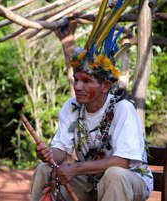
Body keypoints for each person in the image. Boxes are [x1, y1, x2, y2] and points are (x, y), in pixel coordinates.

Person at [30, 1, 153, 201]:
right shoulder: (72, 106)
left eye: (86, 81)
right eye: (76, 80)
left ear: (105, 86)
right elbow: (60, 151)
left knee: (114, 175)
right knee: (45, 170)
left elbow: (122, 162)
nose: (78, 86)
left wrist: (76, 168)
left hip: (129, 181)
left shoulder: (122, 108)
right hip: (89, 181)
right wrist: (48, 154)